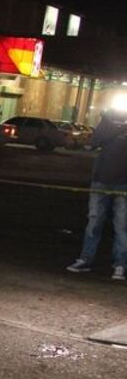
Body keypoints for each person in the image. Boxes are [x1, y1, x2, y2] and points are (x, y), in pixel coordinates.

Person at [66, 111, 127, 280]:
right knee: (94, 221)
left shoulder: (109, 118)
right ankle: (85, 259)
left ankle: (120, 264)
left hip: (123, 183)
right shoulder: (109, 117)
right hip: (101, 179)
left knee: (121, 226)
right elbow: (93, 142)